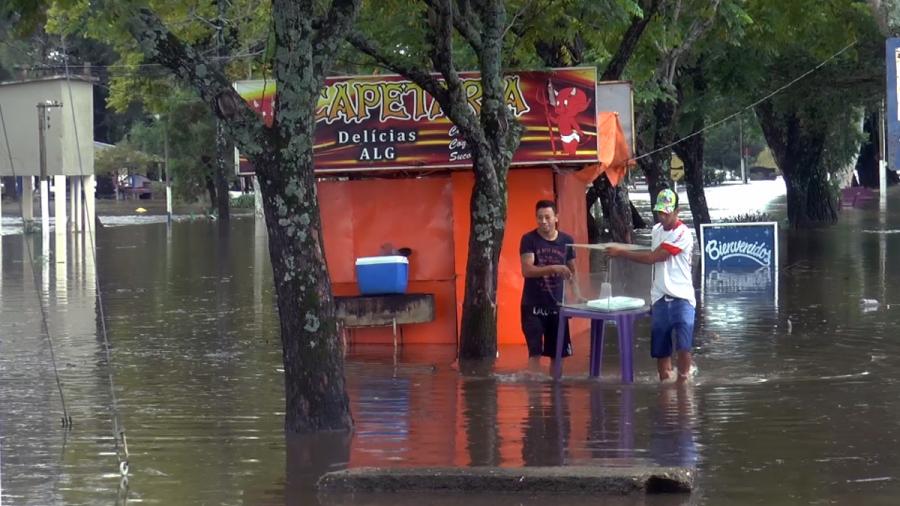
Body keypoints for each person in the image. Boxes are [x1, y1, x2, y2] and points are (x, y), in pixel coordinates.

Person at [607, 189, 696, 383]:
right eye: (659, 212)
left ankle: (683, 383)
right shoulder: (656, 230)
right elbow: (651, 253)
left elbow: (652, 257)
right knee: (660, 349)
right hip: (659, 297)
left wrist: (621, 252)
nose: (662, 216)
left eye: (666, 212)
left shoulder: (682, 234)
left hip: (682, 296)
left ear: (677, 211)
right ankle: (665, 386)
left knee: (684, 346)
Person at [520, 200, 576, 373]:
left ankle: (556, 395)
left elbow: (572, 272)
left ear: (556, 218)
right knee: (534, 353)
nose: (543, 221)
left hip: (558, 306)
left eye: (547, 217)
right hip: (533, 305)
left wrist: (578, 295)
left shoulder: (567, 240)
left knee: (557, 355)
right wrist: (553, 268)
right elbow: (527, 270)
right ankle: (534, 397)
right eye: (539, 217)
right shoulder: (529, 240)